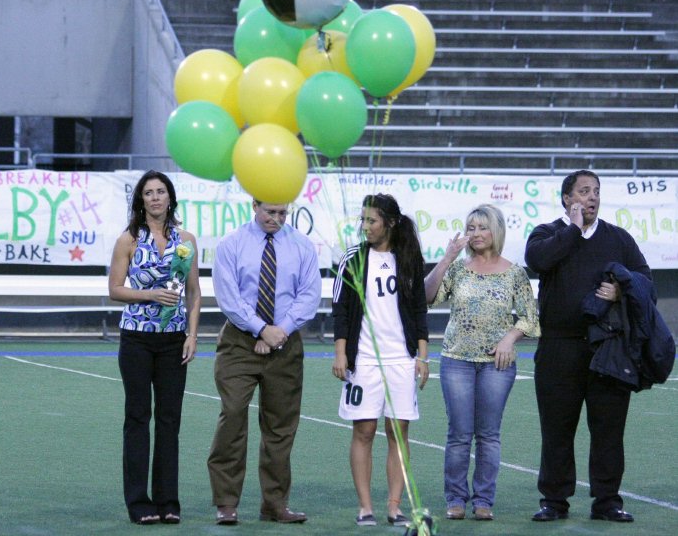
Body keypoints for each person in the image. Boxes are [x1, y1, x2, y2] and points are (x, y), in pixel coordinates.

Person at [525, 169, 650, 523]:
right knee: (557, 430)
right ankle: (554, 501)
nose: (592, 196)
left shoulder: (619, 239)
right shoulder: (548, 234)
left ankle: (607, 500)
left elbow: (645, 280)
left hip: (608, 349)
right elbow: (538, 261)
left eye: (596, 191)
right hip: (557, 349)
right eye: (584, 191)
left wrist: (622, 289)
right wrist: (574, 230)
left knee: (609, 429)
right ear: (567, 200)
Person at [208, 199, 321, 525]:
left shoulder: (301, 246)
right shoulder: (232, 244)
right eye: (269, 212)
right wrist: (260, 329)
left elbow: (309, 295)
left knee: (280, 427)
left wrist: (279, 331)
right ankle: (226, 502)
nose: (276, 219)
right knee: (232, 415)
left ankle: (275, 504)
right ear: (254, 205)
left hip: (285, 344)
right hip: (239, 342)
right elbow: (229, 296)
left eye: (282, 213)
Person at [423, 204, 539, 521]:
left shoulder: (514, 272)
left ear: (496, 231)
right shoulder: (458, 269)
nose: (475, 234)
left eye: (482, 227)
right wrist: (447, 258)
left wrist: (509, 338)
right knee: (459, 434)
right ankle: (456, 499)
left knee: (488, 434)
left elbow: (531, 318)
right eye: (470, 228)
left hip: (495, 365)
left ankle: (484, 501)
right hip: (457, 360)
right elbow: (426, 297)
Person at [331, 194, 430, 527]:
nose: (365, 227)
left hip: (401, 358)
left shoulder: (409, 258)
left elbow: (419, 308)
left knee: (397, 432)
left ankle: (394, 505)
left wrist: (423, 356)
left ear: (389, 222)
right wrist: (341, 353)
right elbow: (341, 309)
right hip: (365, 361)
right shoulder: (354, 257)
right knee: (364, 430)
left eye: (371, 220)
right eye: (363, 220)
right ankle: (365, 507)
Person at [108, 170, 200, 525]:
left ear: (170, 197)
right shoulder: (128, 240)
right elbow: (115, 289)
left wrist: (192, 335)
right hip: (136, 338)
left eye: (161, 191)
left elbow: (193, 291)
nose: (156, 198)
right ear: (141, 200)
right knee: (137, 417)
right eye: (149, 193)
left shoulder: (186, 239)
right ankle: (139, 502)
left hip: (174, 340)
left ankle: (168, 501)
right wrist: (150, 294)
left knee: (169, 419)